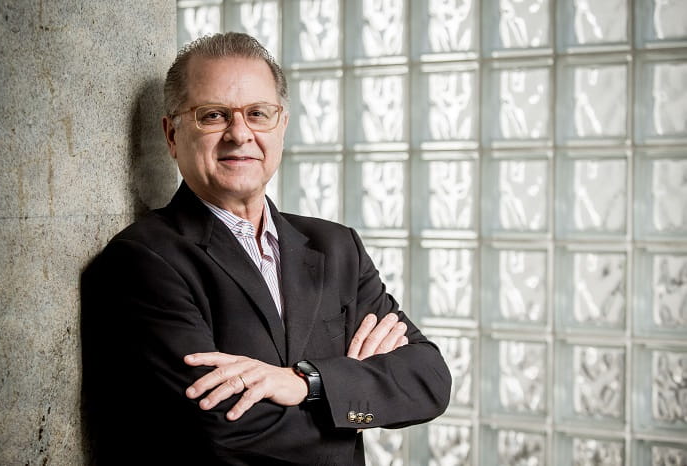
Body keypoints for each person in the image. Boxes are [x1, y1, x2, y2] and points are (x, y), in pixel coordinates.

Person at [81, 32, 451, 466]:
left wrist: (306, 382)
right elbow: (223, 433)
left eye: (258, 113)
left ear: (282, 127)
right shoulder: (144, 260)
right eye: (213, 115)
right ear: (172, 134)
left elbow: (429, 379)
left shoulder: (337, 248)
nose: (240, 134)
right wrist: (349, 400)